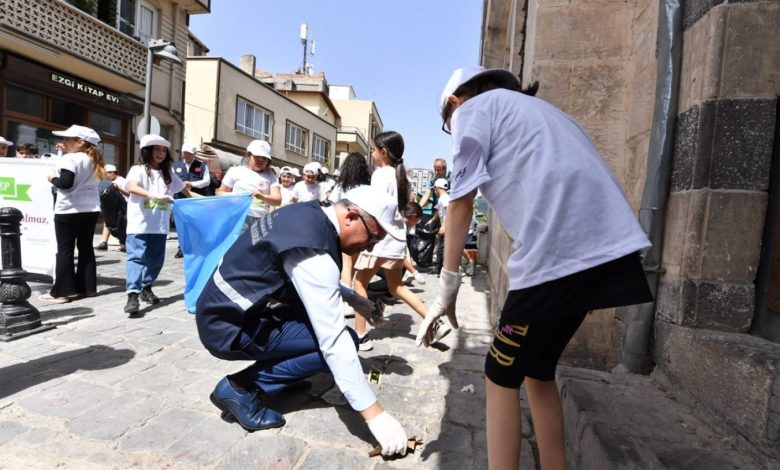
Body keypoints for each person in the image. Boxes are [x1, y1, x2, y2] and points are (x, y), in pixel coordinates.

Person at [417, 66, 653, 470]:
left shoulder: (473, 111)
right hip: (605, 251)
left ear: (455, 102)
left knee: (498, 372)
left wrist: (447, 288)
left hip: (558, 253)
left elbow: (459, 202)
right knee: (538, 370)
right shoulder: (541, 111)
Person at [195, 186, 409, 457]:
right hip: (230, 326)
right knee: (341, 344)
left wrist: (355, 299)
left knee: (326, 340)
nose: (370, 247)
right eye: (373, 237)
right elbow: (333, 340)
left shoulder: (307, 214)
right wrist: (375, 414)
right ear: (352, 217)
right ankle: (241, 387)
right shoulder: (313, 249)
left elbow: (311, 279)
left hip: (227, 309)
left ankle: (280, 378)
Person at [352, 131, 450, 351]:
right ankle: (435, 321)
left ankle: (360, 335)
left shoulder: (380, 174)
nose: (372, 153)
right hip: (396, 239)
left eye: (374, 149)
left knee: (359, 283)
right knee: (396, 287)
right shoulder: (401, 177)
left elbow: (374, 208)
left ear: (383, 152)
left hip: (379, 238)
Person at [124, 134, 195, 315]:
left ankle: (146, 287)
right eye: (157, 149)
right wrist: (152, 195)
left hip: (159, 226)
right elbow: (131, 187)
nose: (161, 153)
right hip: (139, 224)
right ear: (147, 151)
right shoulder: (137, 170)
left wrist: (209, 202)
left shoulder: (168, 174)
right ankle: (132, 293)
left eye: (164, 150)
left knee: (156, 260)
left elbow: (184, 191)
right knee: (136, 258)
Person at [41, 125, 105, 303]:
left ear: (80, 142)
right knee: (85, 248)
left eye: (67, 139)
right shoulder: (94, 159)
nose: (63, 142)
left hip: (68, 209)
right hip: (90, 209)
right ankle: (87, 288)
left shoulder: (70, 159)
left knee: (65, 250)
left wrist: (51, 178)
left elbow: (65, 183)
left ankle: (61, 292)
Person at [216, 140, 281, 231]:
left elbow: (277, 200)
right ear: (248, 155)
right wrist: (237, 196)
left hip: (261, 221)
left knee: (258, 245)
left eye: (264, 157)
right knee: (238, 244)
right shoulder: (234, 171)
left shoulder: (272, 177)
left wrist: (263, 196)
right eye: (257, 156)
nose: (260, 160)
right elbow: (220, 193)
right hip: (239, 217)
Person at [95, 164, 129, 252]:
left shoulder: (122, 181)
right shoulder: (108, 183)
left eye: (106, 174)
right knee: (107, 222)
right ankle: (104, 241)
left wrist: (119, 189)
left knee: (121, 225)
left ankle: (124, 243)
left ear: (113, 173)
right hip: (113, 206)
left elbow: (130, 194)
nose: (105, 176)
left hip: (122, 207)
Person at [429, 178, 451, 275]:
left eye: (434, 189)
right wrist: (432, 220)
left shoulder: (445, 197)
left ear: (437, 188)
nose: (434, 191)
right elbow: (440, 211)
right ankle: (439, 269)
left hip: (447, 227)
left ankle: (441, 269)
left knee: (442, 249)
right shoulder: (442, 198)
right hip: (446, 226)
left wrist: (444, 226)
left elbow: (450, 211)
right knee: (441, 248)